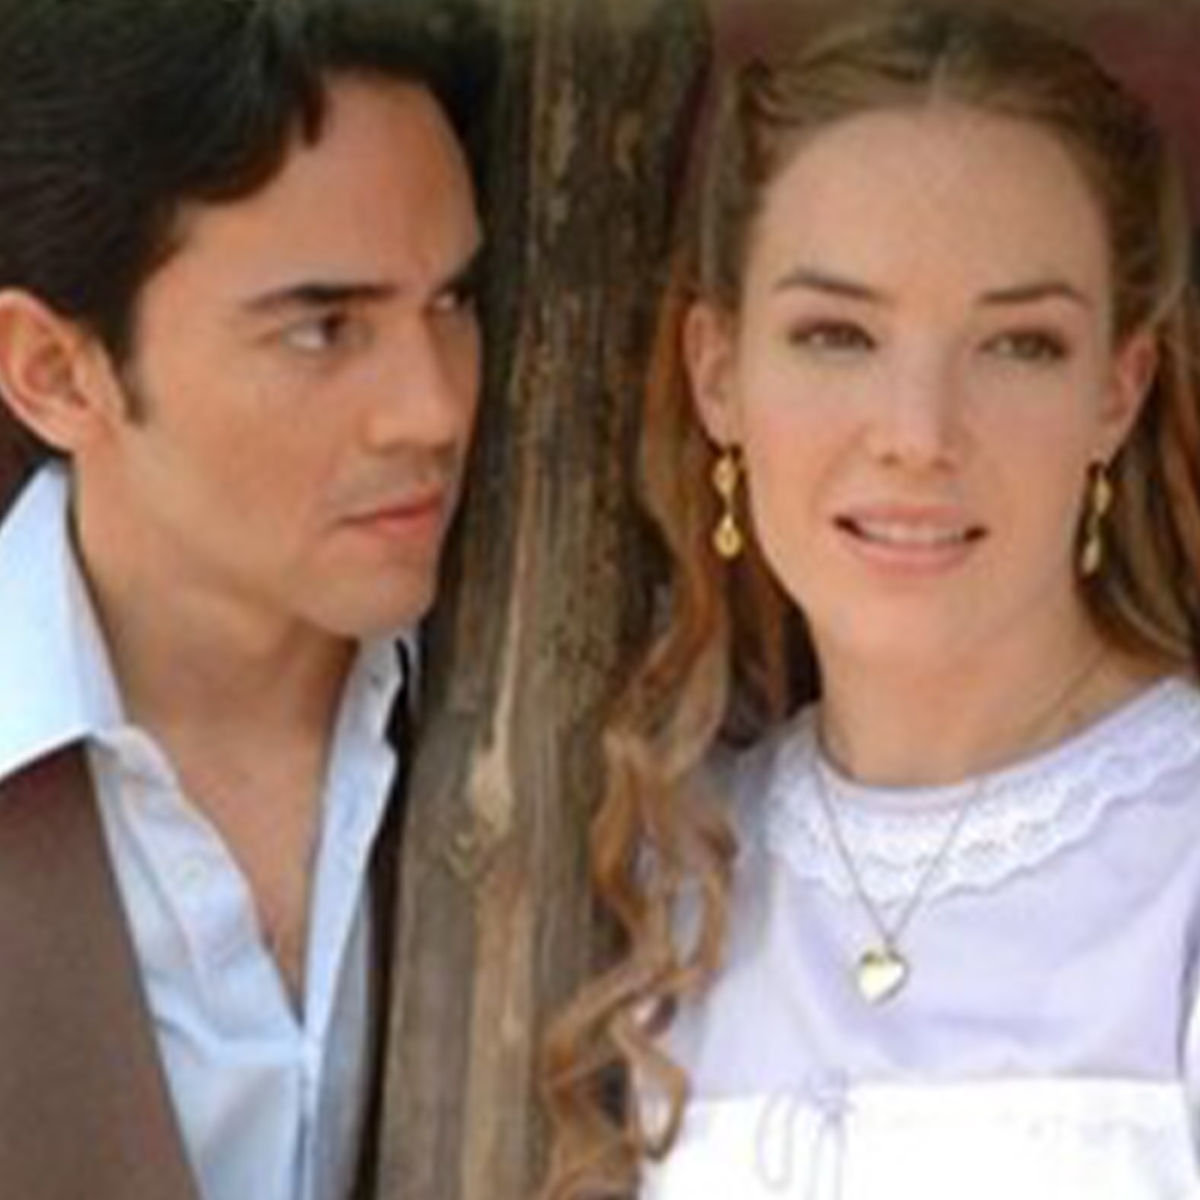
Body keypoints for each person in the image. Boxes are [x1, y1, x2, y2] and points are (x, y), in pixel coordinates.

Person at [540, 3, 1200, 1198]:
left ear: (1118, 389)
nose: (917, 434)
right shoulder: (668, 869)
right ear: (718, 373)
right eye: (838, 334)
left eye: (1019, 344)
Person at [0, 1, 491, 1197]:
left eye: (454, 303)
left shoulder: (604, 736)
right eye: (324, 329)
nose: (432, 408)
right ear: (56, 373)